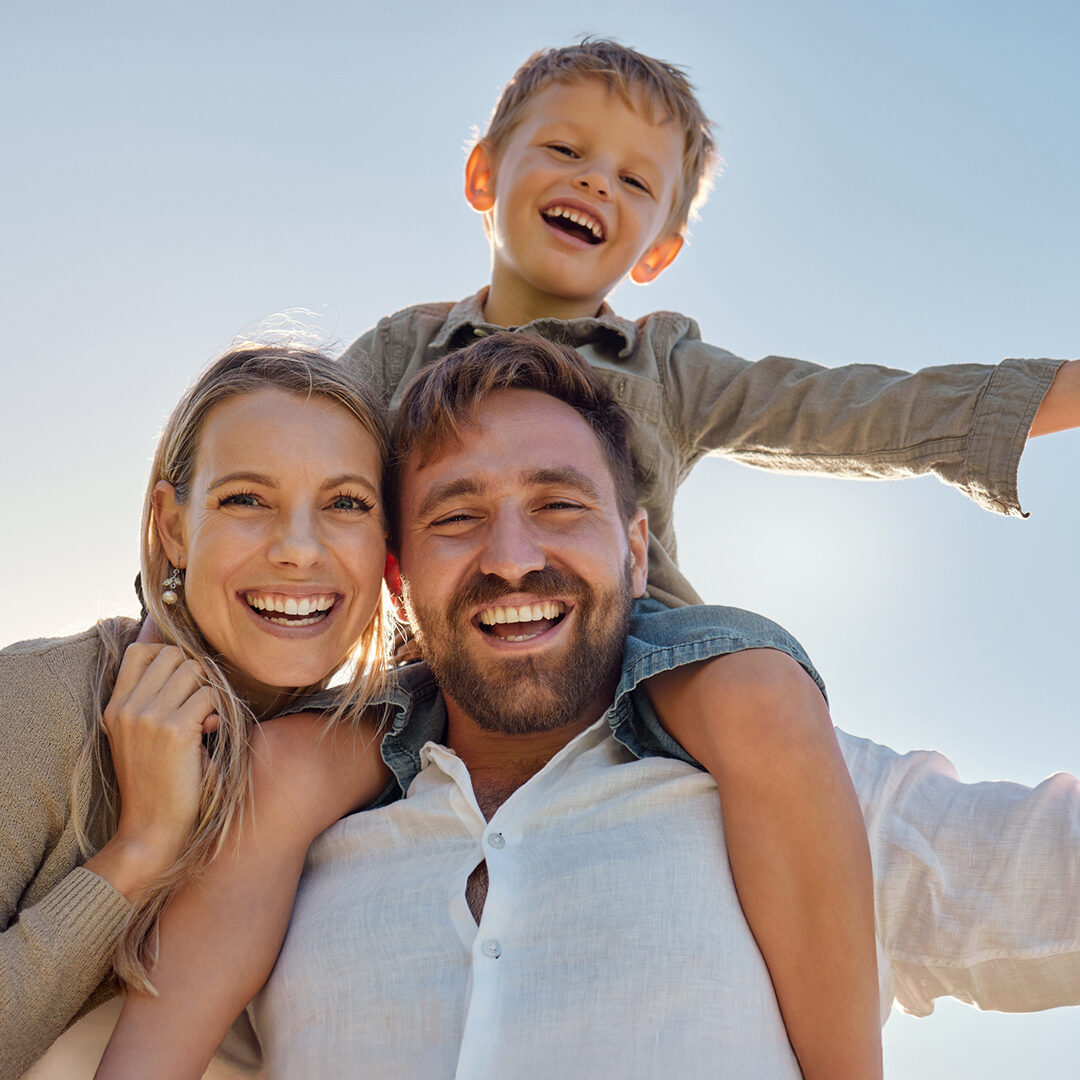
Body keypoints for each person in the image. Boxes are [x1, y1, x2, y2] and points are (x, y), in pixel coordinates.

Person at [340, 38, 1080, 1073]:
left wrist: (1065, 394)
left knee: (762, 694)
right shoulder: (394, 355)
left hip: (640, 656)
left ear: (656, 248)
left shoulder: (665, 365)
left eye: (635, 180)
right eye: (564, 148)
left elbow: (852, 408)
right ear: (483, 176)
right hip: (431, 665)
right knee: (274, 774)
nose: (595, 179)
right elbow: (279, 463)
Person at [100, 336, 1080, 1079]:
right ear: (397, 579)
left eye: (562, 505)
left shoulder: (791, 790)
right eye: (455, 515)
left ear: (637, 551)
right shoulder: (289, 807)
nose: (513, 555)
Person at [0, 344, 396, 1079]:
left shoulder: (382, 759)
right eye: (246, 499)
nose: (299, 551)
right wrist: (140, 850)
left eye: (346, 504)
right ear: (173, 527)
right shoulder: (35, 706)